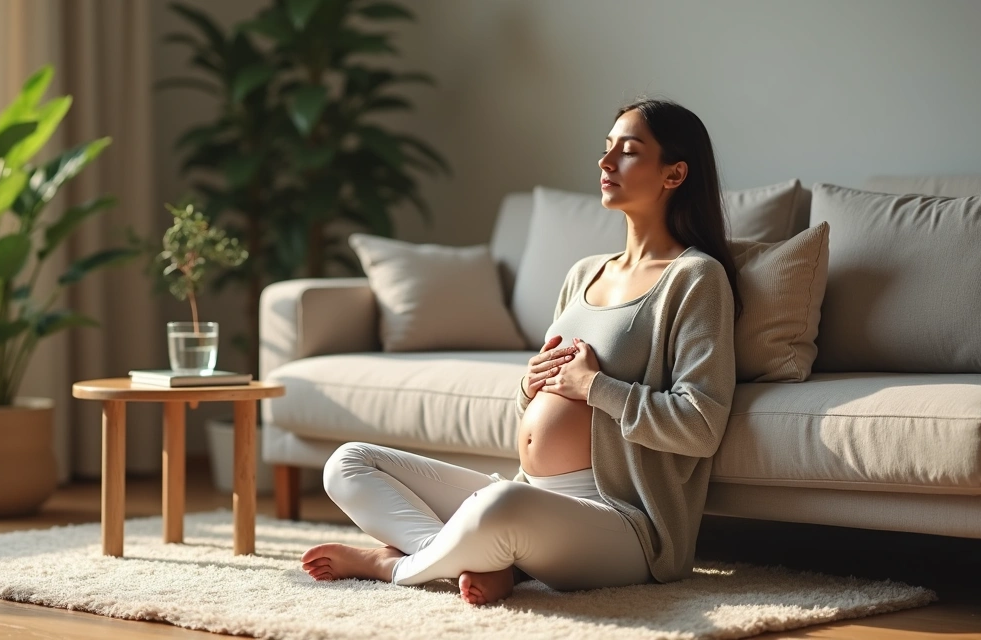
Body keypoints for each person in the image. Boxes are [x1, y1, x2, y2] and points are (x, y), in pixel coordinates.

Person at [300, 97, 743, 606]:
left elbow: (702, 424)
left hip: (619, 519)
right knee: (348, 463)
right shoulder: (585, 272)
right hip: (531, 493)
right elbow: (544, 405)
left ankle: (398, 564)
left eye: (629, 152)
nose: (605, 162)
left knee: (498, 507)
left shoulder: (695, 277)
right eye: (606, 149)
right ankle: (481, 558)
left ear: (674, 174)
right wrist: (529, 387)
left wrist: (595, 387)